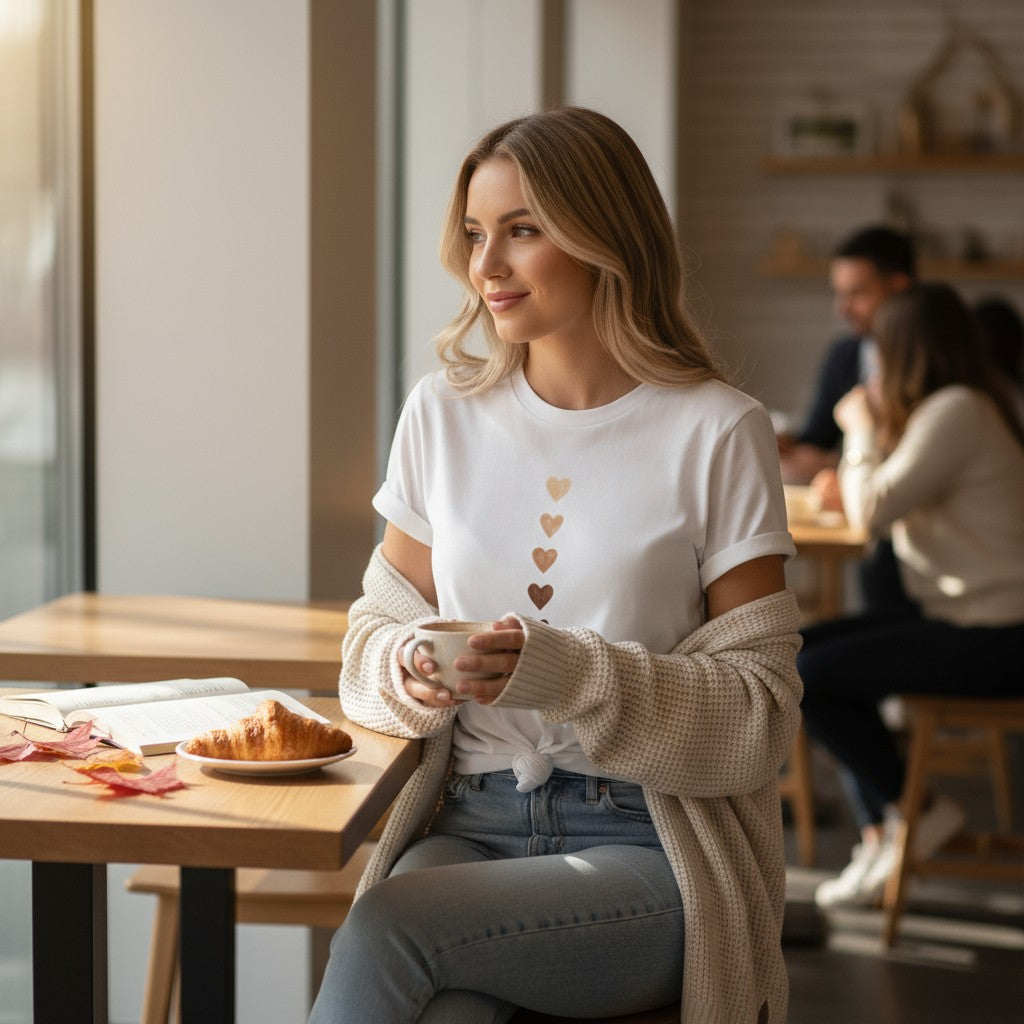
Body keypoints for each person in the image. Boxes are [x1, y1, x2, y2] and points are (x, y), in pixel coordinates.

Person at [308, 107, 802, 1024]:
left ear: (605, 236)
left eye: (522, 231)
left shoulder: (717, 431)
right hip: (468, 830)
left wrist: (570, 672)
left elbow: (758, 718)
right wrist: (409, 666)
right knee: (444, 1004)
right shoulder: (441, 416)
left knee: (388, 930)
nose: (485, 266)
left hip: (650, 848)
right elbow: (368, 644)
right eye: (473, 234)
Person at [799, 282, 1024, 910]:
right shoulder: (963, 405)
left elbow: (870, 511)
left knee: (807, 670)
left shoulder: (957, 410)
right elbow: (881, 497)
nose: (871, 366)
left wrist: (859, 425)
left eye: (877, 350)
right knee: (797, 652)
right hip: (970, 619)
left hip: (998, 634)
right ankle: (894, 823)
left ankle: (911, 814)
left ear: (903, 352)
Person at [779, 225, 916, 486]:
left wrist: (835, 462)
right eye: (839, 293)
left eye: (857, 294)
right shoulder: (845, 354)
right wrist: (783, 443)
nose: (843, 309)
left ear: (899, 287)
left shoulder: (931, 360)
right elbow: (817, 438)